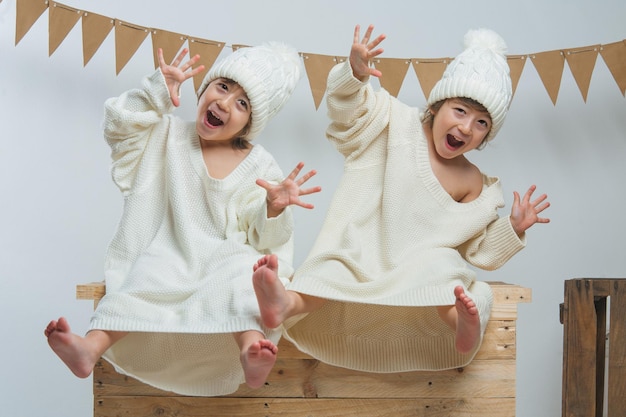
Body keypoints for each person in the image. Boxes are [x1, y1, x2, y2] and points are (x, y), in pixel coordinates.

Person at [253, 24, 550, 373]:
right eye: (460, 111)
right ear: (438, 105)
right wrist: (354, 76)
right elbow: (347, 112)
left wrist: (513, 228)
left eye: (482, 122)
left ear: (486, 135)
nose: (467, 128)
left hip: (419, 266)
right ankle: (286, 304)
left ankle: (460, 323)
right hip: (363, 248)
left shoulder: (473, 182)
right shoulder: (393, 121)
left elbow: (478, 248)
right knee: (331, 266)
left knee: (448, 276)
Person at [45, 42, 321, 396]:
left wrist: (272, 208)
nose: (224, 103)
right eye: (222, 86)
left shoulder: (260, 163)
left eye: (242, 103)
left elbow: (260, 234)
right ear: (204, 87)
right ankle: (90, 348)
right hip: (167, 250)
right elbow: (118, 126)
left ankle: (250, 352)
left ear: (251, 123)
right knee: (137, 283)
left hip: (224, 257)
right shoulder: (166, 134)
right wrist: (155, 92)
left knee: (243, 276)